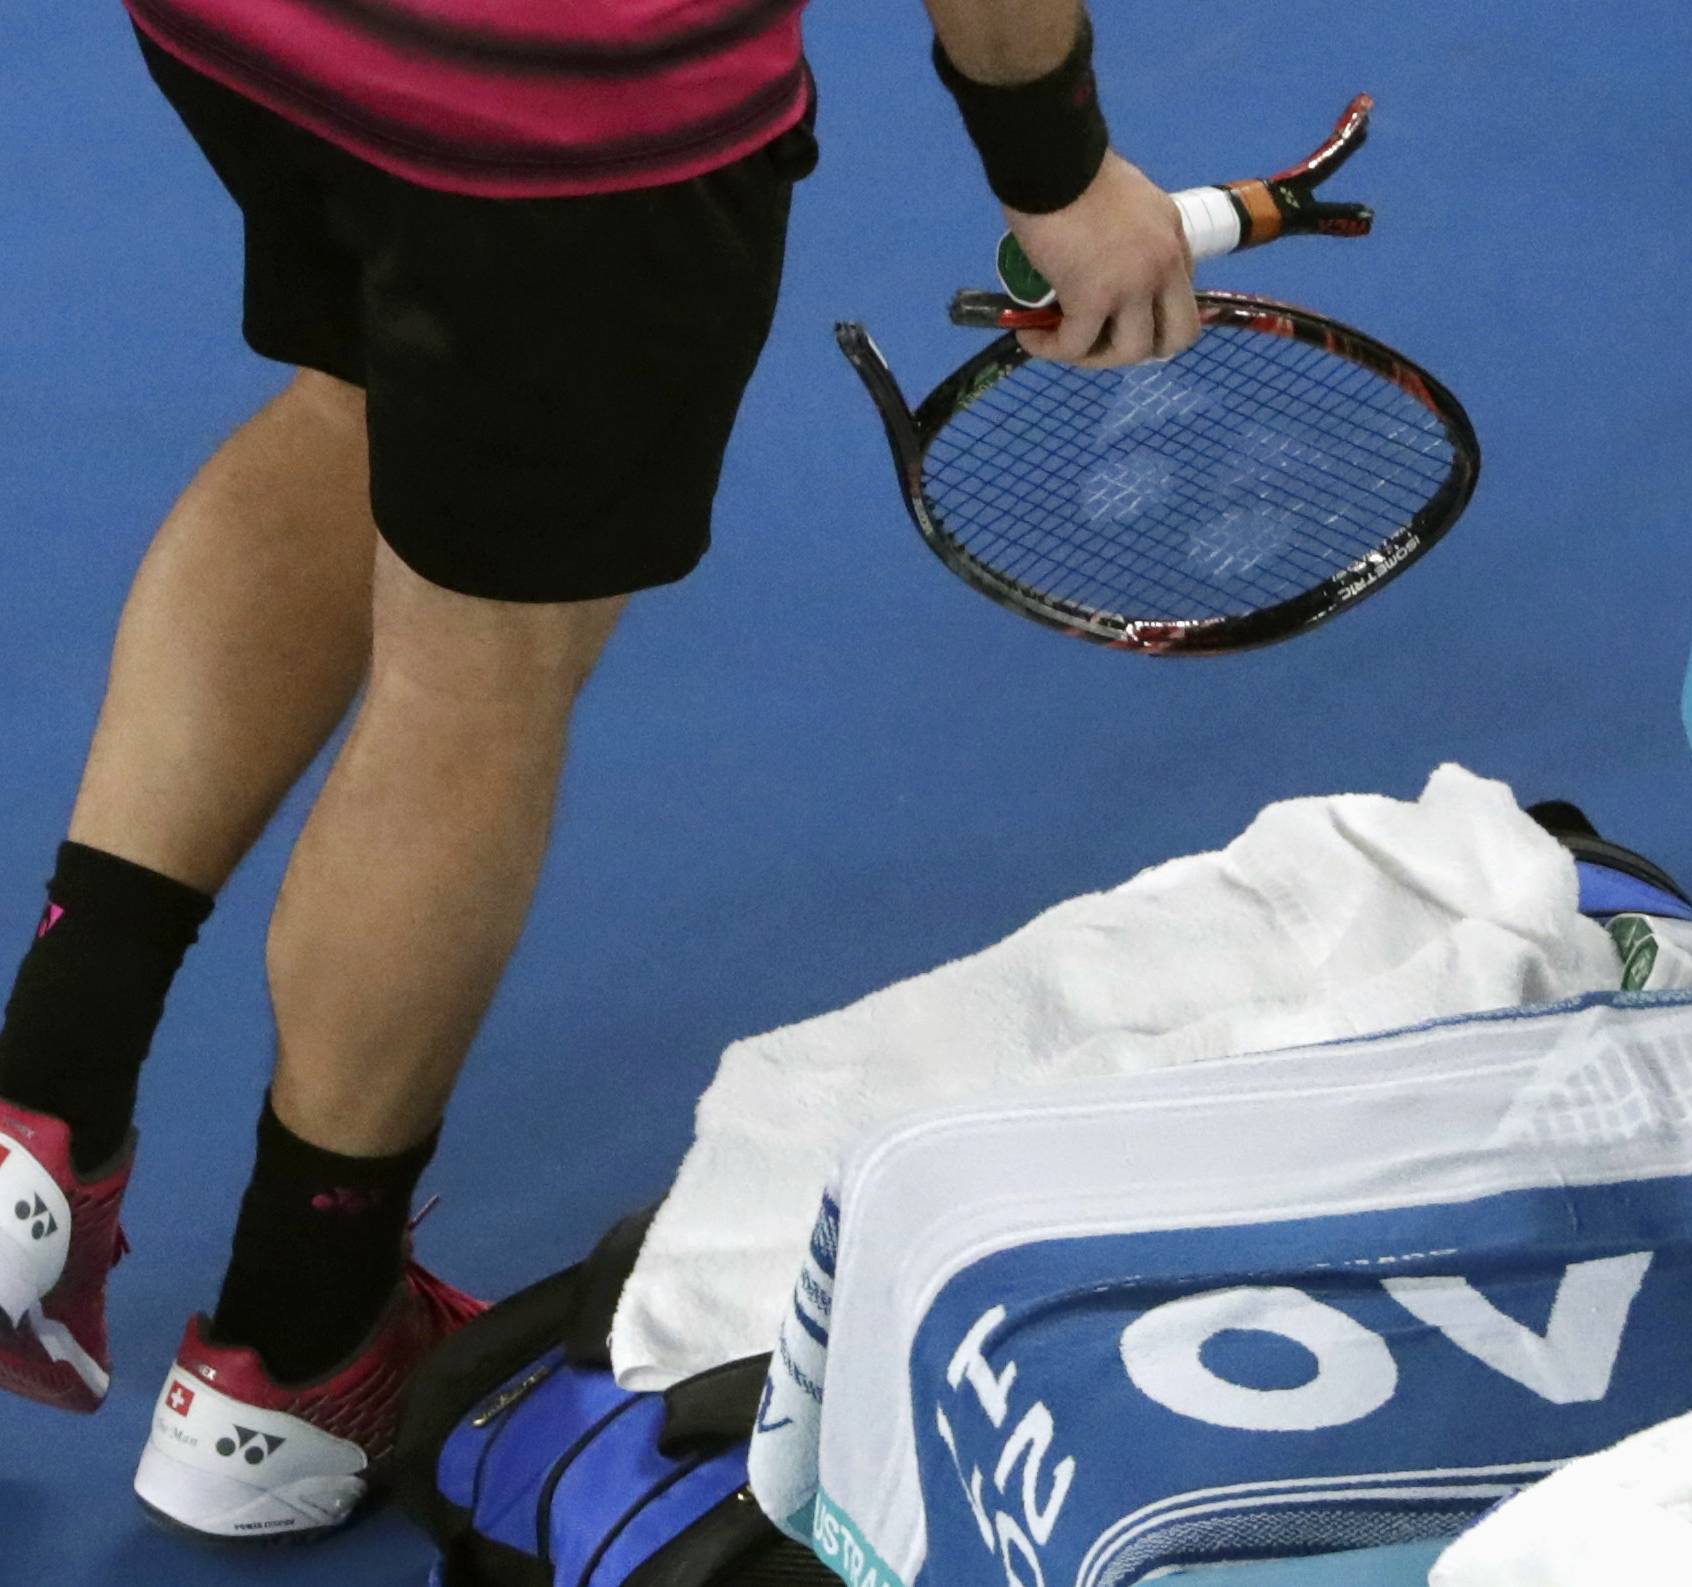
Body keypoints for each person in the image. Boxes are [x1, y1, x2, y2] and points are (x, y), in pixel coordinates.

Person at [0, 0, 1200, 1543]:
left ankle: (43, 1098)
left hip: (243, 33)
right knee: (482, 668)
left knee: (353, 390)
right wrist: (1060, 171)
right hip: (555, 115)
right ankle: (298, 1347)